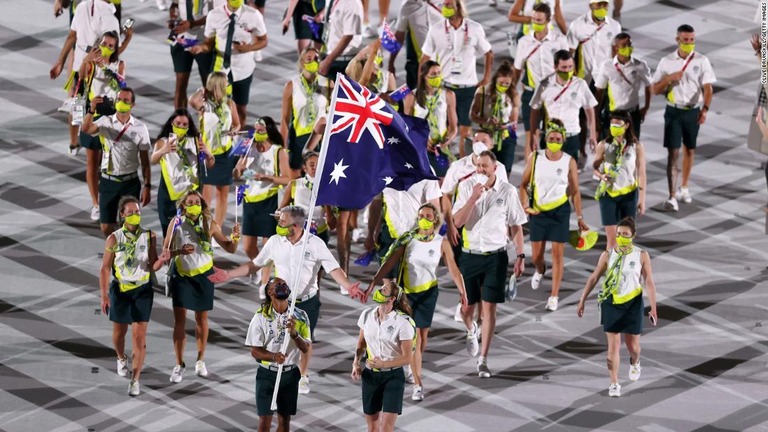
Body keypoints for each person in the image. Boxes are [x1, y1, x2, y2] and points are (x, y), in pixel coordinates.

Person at [209, 206, 364, 395]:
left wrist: (348, 286)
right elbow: (255, 264)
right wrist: (228, 274)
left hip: (307, 302)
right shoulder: (275, 242)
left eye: (283, 221)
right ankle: (277, 370)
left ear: (296, 225)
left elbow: (333, 268)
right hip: (281, 302)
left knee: (304, 340)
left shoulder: (314, 244)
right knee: (279, 337)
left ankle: (303, 375)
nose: (279, 223)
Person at [368, 203, 471, 401]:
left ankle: (411, 362)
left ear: (435, 219)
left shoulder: (441, 242)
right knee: (413, 337)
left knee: (422, 338)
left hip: (428, 293)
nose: (424, 218)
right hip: (407, 293)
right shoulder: (408, 239)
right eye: (421, 215)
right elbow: (389, 262)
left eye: (428, 215)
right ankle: (418, 383)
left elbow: (453, 269)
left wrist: (462, 291)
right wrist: (374, 281)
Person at [452, 150, 526, 377]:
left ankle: (483, 359)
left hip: (496, 256)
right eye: (479, 166)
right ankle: (471, 328)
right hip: (470, 254)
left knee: (489, 308)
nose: (481, 170)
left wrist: (521, 255)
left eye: (485, 166)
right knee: (466, 308)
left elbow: (515, 226)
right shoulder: (466, 188)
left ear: (495, 168)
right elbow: (457, 222)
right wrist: (473, 198)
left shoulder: (508, 191)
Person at [164, 190, 241, 383]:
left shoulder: (210, 223)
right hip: (182, 276)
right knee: (179, 320)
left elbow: (230, 248)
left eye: (197, 202)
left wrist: (236, 238)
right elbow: (165, 253)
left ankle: (200, 360)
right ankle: (179, 364)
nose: (194, 205)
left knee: (201, 319)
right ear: (183, 205)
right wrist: (179, 251)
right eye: (190, 202)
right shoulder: (176, 223)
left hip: (203, 276)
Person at [577, 217, 658, 397]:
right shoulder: (607, 254)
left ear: (633, 235)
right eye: (619, 234)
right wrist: (583, 299)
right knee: (612, 347)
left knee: (633, 347)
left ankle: (635, 362)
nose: (621, 237)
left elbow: (649, 282)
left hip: (633, 303)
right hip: (611, 302)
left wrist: (653, 307)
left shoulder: (641, 255)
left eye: (626, 234)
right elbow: (594, 278)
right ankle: (614, 383)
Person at [100, 196, 170, 396]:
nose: (134, 215)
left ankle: (135, 379)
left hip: (142, 290)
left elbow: (153, 265)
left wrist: (163, 260)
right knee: (119, 333)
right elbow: (105, 268)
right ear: (122, 215)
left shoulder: (149, 236)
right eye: (130, 213)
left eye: (137, 212)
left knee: (139, 337)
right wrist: (104, 296)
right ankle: (121, 357)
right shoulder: (114, 238)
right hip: (121, 290)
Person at [519, 119, 589, 312]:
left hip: (560, 211)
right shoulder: (535, 157)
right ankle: (541, 269)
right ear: (545, 138)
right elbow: (523, 184)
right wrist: (525, 204)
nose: (554, 141)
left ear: (563, 139)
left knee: (558, 254)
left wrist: (580, 217)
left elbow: (575, 191)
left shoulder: (569, 161)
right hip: (538, 211)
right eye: (551, 138)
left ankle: (554, 296)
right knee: (536, 256)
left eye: (558, 138)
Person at [651, 24, 716, 212]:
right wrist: (669, 78)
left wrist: (705, 109)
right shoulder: (667, 61)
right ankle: (671, 196)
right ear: (677, 40)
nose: (689, 43)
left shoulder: (702, 61)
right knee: (673, 152)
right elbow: (655, 89)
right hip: (673, 111)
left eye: (692, 40)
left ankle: (684, 187)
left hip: (693, 111)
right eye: (686, 40)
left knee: (689, 149)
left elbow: (708, 88)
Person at [421, 0, 493, 158]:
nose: (445, 8)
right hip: (444, 86)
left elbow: (488, 52)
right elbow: (425, 56)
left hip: (468, 88)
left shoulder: (474, 28)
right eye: (444, 5)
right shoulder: (436, 29)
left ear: (458, 7)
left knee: (465, 131)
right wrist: (423, 81)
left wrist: (486, 77)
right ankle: (443, 161)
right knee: (443, 127)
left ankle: (463, 163)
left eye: (448, 5)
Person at [50, 0, 120, 156]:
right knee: (99, 106)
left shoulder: (81, 7)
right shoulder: (110, 18)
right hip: (96, 70)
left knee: (77, 104)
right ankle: (96, 145)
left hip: (80, 66)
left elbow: (71, 36)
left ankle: (73, 143)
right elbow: (114, 50)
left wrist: (60, 62)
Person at [80, 87, 151, 238]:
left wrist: (147, 186)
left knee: (130, 224)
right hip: (108, 181)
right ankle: (117, 251)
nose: (121, 103)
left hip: (130, 182)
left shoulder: (140, 128)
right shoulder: (105, 122)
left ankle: (127, 255)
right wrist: (91, 110)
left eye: (126, 101)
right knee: (106, 226)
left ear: (133, 105)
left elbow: (145, 162)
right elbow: (86, 129)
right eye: (119, 100)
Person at [245, 277, 311, 432]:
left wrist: (294, 333)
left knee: (285, 421)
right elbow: (254, 351)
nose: (283, 286)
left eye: (284, 284)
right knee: (264, 422)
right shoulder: (260, 317)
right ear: (269, 292)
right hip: (267, 375)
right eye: (278, 285)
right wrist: (273, 356)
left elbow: (306, 348)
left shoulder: (300, 316)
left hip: (290, 375)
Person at [189, 0, 268, 126]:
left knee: (240, 107)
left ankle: (237, 138)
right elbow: (209, 44)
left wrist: (247, 48)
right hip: (219, 68)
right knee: (213, 105)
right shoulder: (214, 15)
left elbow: (264, 41)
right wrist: (200, 48)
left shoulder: (253, 14)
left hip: (243, 68)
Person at [351, 281, 415, 431]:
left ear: (391, 298)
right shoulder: (366, 315)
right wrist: (356, 363)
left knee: (386, 428)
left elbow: (408, 358)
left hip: (393, 377)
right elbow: (361, 343)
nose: (379, 290)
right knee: (372, 428)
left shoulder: (403, 323)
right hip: (370, 376)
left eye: (384, 289)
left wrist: (383, 365)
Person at [511, 2, 568, 160]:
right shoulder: (524, 42)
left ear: (548, 20)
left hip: (553, 95)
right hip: (531, 94)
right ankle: (530, 177)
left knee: (554, 136)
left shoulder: (559, 41)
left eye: (539, 20)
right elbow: (517, 69)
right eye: (533, 20)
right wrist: (511, 93)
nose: (535, 23)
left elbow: (567, 69)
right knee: (531, 136)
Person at [566, 0, 621, 165]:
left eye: (605, 5)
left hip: (604, 80)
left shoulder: (614, 26)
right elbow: (570, 53)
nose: (603, 9)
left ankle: (602, 157)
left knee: (604, 120)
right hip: (585, 79)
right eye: (599, 6)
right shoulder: (577, 26)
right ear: (591, 6)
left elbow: (614, 54)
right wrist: (573, 78)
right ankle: (582, 151)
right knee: (582, 117)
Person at [77, 30, 124, 222]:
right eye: (104, 43)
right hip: (93, 114)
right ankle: (96, 203)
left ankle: (113, 202)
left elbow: (121, 86)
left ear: (115, 49)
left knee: (112, 164)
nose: (106, 47)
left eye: (111, 45)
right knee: (92, 162)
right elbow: (80, 77)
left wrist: (107, 69)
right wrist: (87, 60)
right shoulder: (91, 62)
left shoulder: (118, 64)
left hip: (111, 117)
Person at [233, 117, 291, 267]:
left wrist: (267, 177)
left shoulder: (278, 151)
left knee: (268, 245)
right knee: (247, 246)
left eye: (261, 131)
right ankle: (259, 268)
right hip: (250, 200)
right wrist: (238, 168)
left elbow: (287, 179)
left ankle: (265, 278)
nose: (256, 133)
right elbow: (236, 176)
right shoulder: (247, 148)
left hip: (269, 201)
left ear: (269, 131)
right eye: (255, 130)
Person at [189, 71, 241, 230]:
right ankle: (204, 226)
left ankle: (216, 228)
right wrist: (203, 90)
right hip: (208, 154)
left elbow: (238, 124)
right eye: (225, 83)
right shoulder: (204, 105)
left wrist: (235, 131)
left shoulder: (230, 104)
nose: (228, 86)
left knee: (222, 193)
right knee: (206, 195)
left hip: (225, 153)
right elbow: (192, 100)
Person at [150, 109, 214, 236]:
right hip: (170, 196)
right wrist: (164, 150)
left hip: (191, 197)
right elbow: (153, 159)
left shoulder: (195, 141)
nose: (181, 127)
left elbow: (210, 165)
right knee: (170, 236)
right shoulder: (163, 141)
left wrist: (208, 153)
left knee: (191, 235)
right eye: (178, 123)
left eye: (185, 125)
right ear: (171, 124)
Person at [529, 49, 598, 164]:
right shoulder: (544, 85)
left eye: (570, 67)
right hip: (550, 136)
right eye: (564, 68)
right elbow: (535, 110)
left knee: (570, 175)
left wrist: (592, 135)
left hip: (571, 136)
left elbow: (589, 110)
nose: (567, 71)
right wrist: (533, 135)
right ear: (555, 66)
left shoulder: (580, 85)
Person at [593, 111, 647, 250]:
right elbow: (595, 168)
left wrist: (642, 199)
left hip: (629, 196)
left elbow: (641, 174)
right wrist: (601, 175)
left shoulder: (636, 147)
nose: (614, 126)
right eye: (612, 123)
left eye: (618, 124)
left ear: (627, 125)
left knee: (626, 240)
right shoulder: (603, 145)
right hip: (608, 195)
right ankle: (611, 270)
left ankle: (625, 270)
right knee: (611, 242)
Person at [280, 47, 333, 179]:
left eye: (317, 59)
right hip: (299, 138)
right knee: (296, 180)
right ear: (302, 62)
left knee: (321, 178)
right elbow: (284, 119)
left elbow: (334, 113)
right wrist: (283, 148)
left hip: (320, 137)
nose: (314, 61)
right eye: (309, 59)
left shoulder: (327, 83)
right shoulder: (291, 85)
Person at [404, 61, 458, 180]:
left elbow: (454, 127)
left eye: (439, 73)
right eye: (433, 74)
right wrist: (421, 139)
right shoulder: (412, 96)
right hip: (419, 148)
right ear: (424, 76)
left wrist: (446, 141)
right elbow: (406, 126)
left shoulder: (448, 95)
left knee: (441, 184)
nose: (437, 77)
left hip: (439, 148)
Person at [594, 32, 652, 139]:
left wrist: (646, 107)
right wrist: (596, 117)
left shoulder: (640, 65)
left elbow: (649, 85)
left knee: (632, 149)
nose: (628, 47)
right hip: (613, 115)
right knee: (611, 149)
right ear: (616, 48)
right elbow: (599, 92)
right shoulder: (607, 66)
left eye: (629, 44)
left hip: (632, 115)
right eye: (624, 45)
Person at [470, 61, 520, 174]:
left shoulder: (513, 94)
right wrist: (487, 121)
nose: (503, 86)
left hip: (505, 137)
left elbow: (514, 120)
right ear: (495, 80)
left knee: (504, 171)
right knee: (485, 170)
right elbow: (472, 115)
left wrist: (505, 127)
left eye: (507, 84)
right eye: (501, 83)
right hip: (487, 137)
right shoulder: (482, 91)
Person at [279, 152, 337, 245]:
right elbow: (280, 210)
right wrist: (280, 215)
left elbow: (332, 224)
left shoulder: (329, 186)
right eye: (312, 165)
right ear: (304, 168)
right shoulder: (294, 184)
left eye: (318, 164)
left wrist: (326, 202)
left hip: (320, 233)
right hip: (297, 232)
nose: (315, 167)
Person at [167, 0, 214, 109]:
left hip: (203, 41)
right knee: (180, 84)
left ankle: (208, 120)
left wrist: (192, 23)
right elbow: (174, 5)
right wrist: (173, 18)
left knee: (207, 85)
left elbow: (215, 15)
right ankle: (180, 120)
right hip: (181, 39)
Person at [389, 0, 442, 90]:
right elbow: (399, 37)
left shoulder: (445, 3)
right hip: (420, 66)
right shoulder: (407, 7)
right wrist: (391, 63)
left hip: (445, 64)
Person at [317, 0, 363, 78]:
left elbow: (348, 36)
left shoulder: (352, 3)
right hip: (332, 57)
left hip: (344, 63)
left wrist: (328, 61)